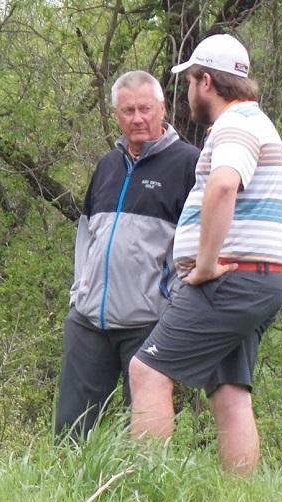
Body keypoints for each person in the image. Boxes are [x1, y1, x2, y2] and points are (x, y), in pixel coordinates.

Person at [129, 35, 282, 475]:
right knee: (228, 390)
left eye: (190, 82)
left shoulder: (236, 125)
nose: (188, 93)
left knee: (147, 370)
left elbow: (222, 186)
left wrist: (202, 264)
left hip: (230, 280)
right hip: (261, 279)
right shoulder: (256, 122)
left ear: (205, 81)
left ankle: (147, 491)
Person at [55, 70, 200, 439]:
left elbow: (198, 242)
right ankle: (63, 493)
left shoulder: (190, 164)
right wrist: (79, 292)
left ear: (163, 108)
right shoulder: (107, 165)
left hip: (148, 321)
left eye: (145, 109)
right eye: (128, 110)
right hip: (88, 320)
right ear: (117, 115)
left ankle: (140, 493)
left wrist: (173, 305)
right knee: (70, 428)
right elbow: (86, 235)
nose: (137, 118)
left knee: (139, 429)